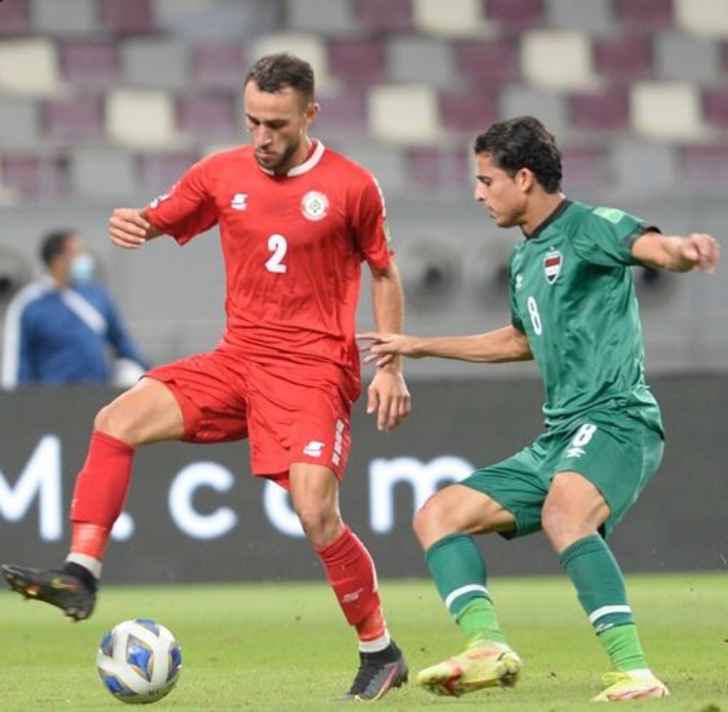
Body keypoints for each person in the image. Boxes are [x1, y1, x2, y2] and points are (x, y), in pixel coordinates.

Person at [2, 54, 411, 701]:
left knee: (316, 512)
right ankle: (80, 574)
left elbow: (384, 272)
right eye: (253, 121)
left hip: (312, 371)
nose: (262, 136)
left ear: (310, 114)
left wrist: (391, 365)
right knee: (116, 421)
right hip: (238, 360)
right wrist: (135, 224)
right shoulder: (222, 173)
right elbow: (161, 217)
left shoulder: (351, 186)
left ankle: (379, 651)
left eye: (277, 124)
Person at [359, 116, 720, 703]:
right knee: (438, 514)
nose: (477, 194)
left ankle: (636, 672)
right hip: (561, 434)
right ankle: (486, 646)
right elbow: (519, 341)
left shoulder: (589, 226)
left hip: (617, 418)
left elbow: (651, 248)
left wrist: (682, 250)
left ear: (523, 178)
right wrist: (420, 345)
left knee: (564, 513)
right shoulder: (525, 259)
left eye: (486, 180)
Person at [1, 230, 147, 388]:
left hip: (97, 393)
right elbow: (17, 361)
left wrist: (151, 375)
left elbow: (122, 343)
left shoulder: (97, 296)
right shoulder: (28, 304)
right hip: (52, 397)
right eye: (78, 253)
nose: (85, 259)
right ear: (58, 260)